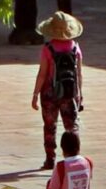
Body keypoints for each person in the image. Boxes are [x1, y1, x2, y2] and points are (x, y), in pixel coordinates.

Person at [30, 10, 87, 169]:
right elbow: (79, 74)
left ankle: (50, 159)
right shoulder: (75, 47)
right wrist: (79, 94)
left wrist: (35, 94)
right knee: (71, 126)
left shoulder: (48, 49)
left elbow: (42, 74)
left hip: (50, 93)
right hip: (69, 92)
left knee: (50, 126)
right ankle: (74, 157)